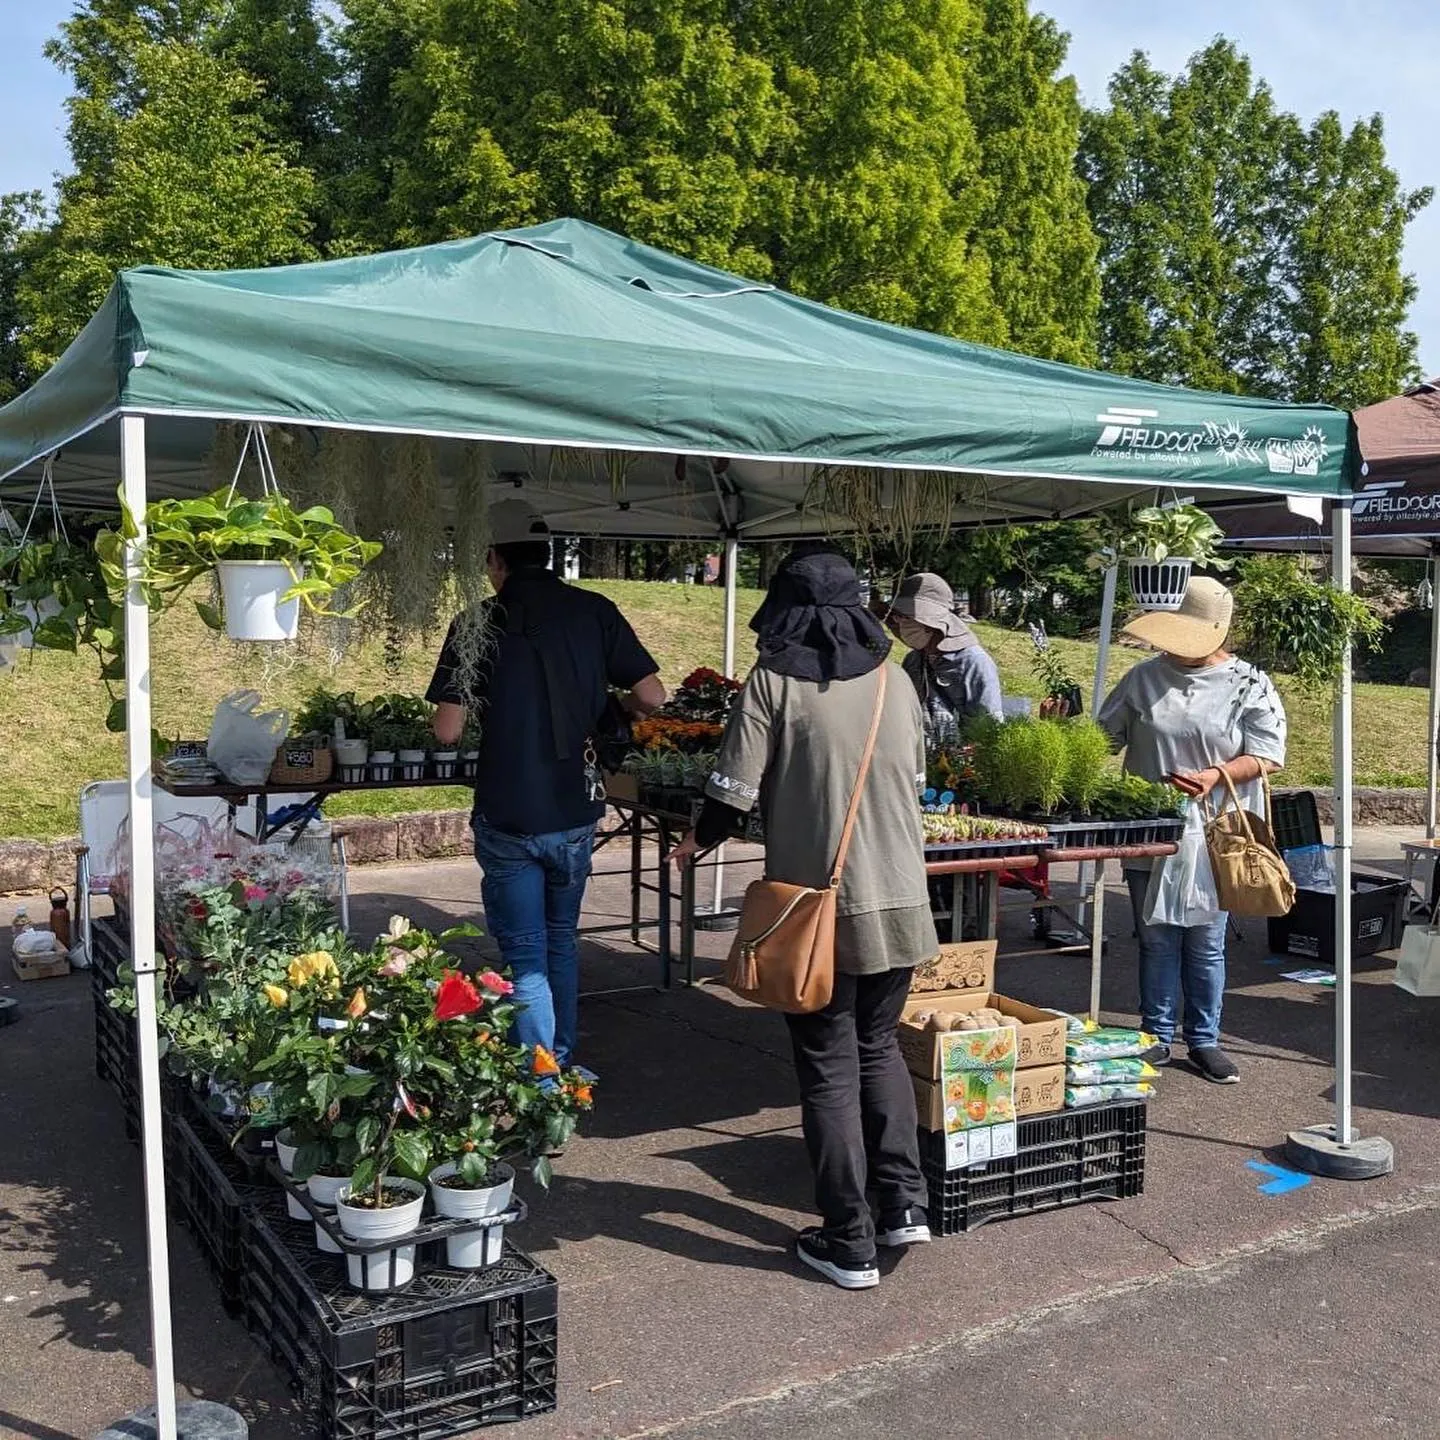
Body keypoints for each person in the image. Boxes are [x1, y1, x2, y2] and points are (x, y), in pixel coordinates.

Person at [669, 547, 938, 1291]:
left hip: (818, 911)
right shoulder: (894, 681)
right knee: (878, 1046)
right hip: (902, 900)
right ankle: (903, 1203)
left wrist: (697, 842)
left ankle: (848, 1239)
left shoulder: (773, 682)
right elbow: (915, 781)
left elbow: (733, 790)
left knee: (826, 1066)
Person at [428, 498, 666, 1067]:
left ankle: (541, 1077)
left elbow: (446, 729)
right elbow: (654, 695)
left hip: (509, 807)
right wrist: (612, 707)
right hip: (576, 805)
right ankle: (560, 1053)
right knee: (560, 938)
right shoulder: (594, 610)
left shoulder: (477, 624)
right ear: (550, 554)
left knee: (527, 953)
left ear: (494, 560)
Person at [1096, 576, 1286, 1085]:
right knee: (1155, 938)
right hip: (1152, 829)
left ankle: (1204, 1039)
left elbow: (1269, 754)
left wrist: (1213, 777)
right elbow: (1103, 737)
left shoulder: (1249, 683)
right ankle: (1155, 1034)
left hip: (1215, 835)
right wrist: (1070, 729)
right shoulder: (1142, 679)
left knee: (1205, 942)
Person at [883, 572, 1004, 739]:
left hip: (959, 761)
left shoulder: (974, 663)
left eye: (905, 618)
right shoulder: (913, 660)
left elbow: (988, 730)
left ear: (930, 624)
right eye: (897, 617)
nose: (899, 623)